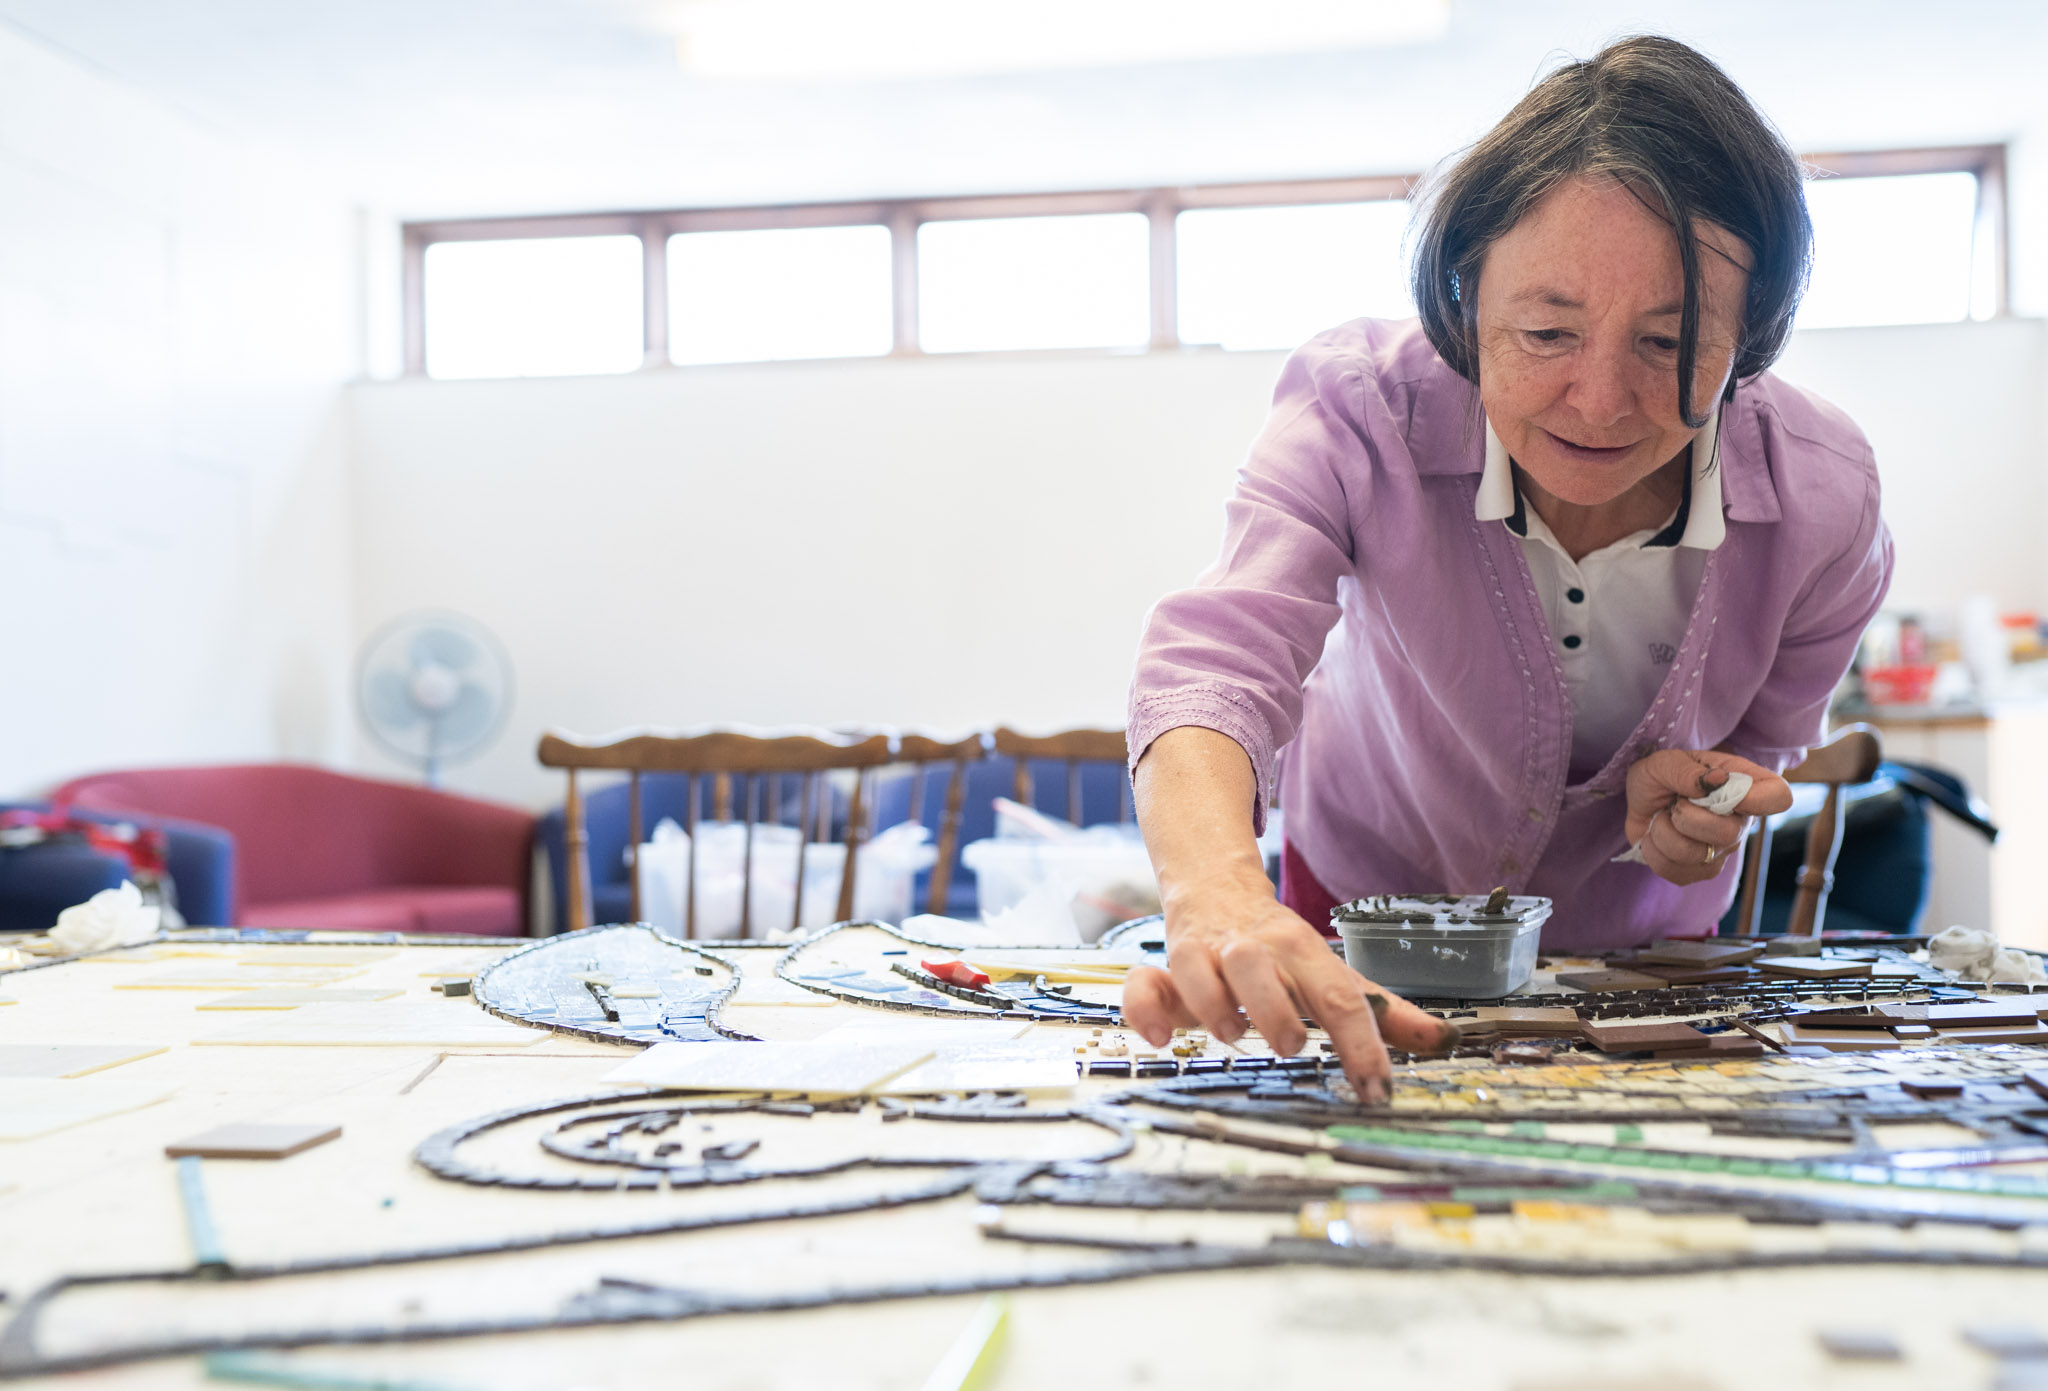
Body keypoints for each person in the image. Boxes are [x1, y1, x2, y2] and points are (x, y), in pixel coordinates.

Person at [1122, 36, 1893, 1102]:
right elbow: (1216, 657)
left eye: (1668, 343)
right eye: (1543, 330)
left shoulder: (1825, 495)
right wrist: (1213, 888)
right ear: (1461, 300)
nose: (1598, 399)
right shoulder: (1360, 407)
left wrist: (1701, 810)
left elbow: (1759, 745)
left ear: (1749, 336)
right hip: (1353, 929)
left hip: (1644, 969)